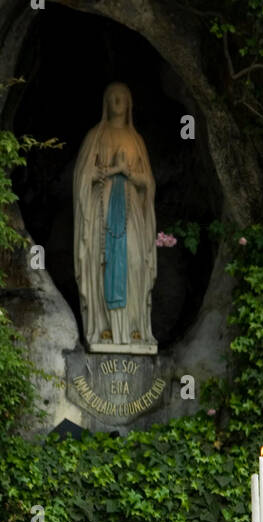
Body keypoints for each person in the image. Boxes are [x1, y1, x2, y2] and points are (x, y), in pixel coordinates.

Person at [73, 82, 157, 351]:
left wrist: (127, 173)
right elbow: (82, 176)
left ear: (130, 103)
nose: (117, 101)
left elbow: (149, 183)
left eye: (122, 96)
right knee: (104, 263)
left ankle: (134, 329)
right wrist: (105, 173)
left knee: (134, 262)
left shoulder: (136, 140)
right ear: (105, 102)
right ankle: (105, 328)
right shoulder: (95, 137)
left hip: (131, 212)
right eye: (112, 97)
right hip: (103, 211)